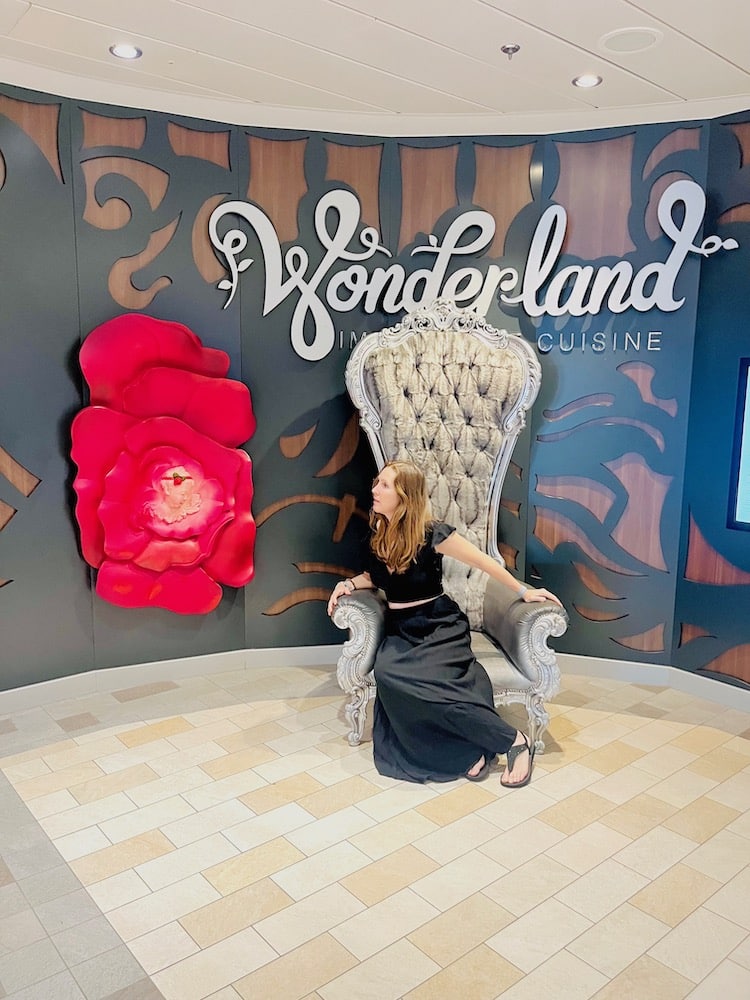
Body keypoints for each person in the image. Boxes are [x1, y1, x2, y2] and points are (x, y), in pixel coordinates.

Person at [327, 460, 564, 788]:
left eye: (384, 484)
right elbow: (375, 576)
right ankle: (466, 752)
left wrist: (525, 591)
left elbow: (484, 563)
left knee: (435, 687)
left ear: (404, 494)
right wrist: (350, 585)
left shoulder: (433, 534)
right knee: (391, 675)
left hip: (438, 623)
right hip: (401, 627)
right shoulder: (379, 532)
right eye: (376, 482)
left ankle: (515, 741)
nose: (374, 489)